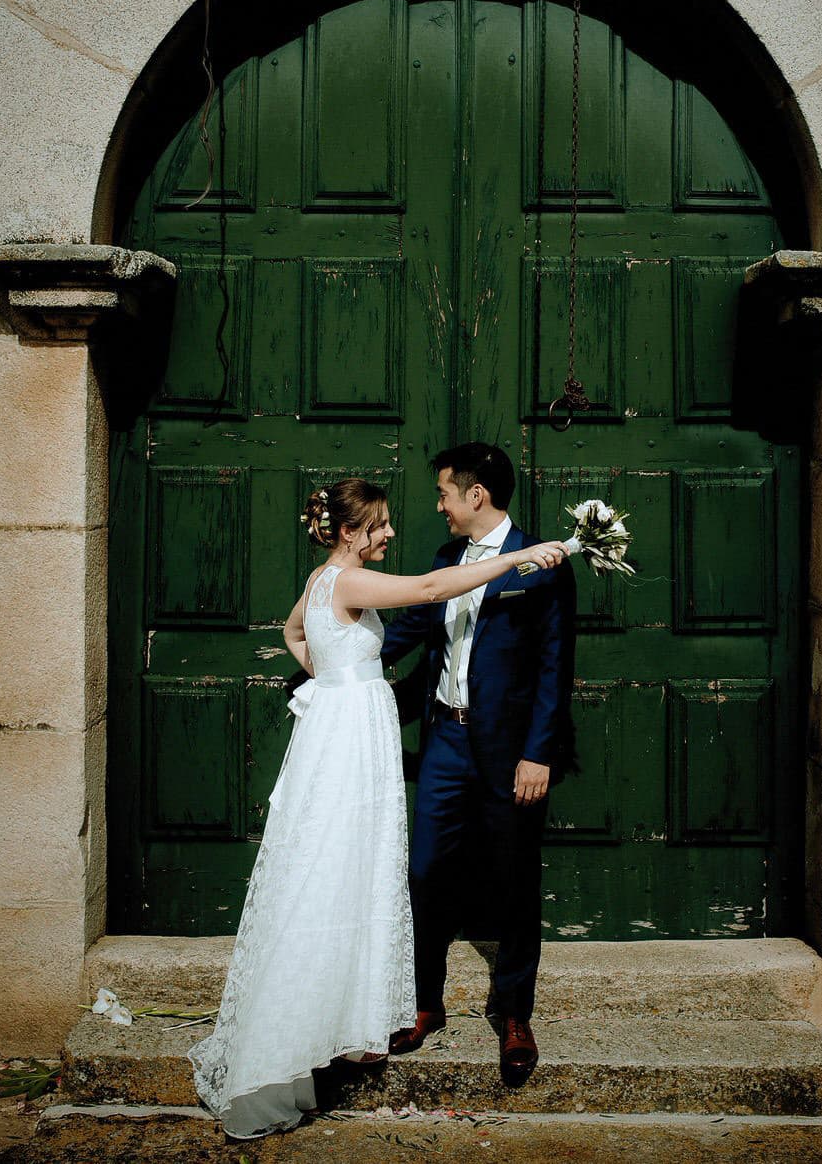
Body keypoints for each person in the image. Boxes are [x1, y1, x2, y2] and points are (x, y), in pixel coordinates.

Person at [188, 478, 566, 1139]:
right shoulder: (347, 580)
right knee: (337, 872)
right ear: (347, 532)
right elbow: (425, 591)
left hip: (344, 729)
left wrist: (331, 675)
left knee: (353, 872)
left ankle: (348, 1020)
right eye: (380, 526)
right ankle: (309, 1031)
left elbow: (292, 630)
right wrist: (515, 559)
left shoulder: (320, 583)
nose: (389, 534)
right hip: (346, 742)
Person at [382, 442, 578, 1088]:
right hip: (445, 741)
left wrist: (538, 753)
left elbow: (555, 668)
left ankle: (515, 1015)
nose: (437, 505)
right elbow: (411, 629)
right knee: (425, 872)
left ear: (476, 495)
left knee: (515, 881)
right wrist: (338, 660)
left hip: (509, 752)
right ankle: (424, 1003)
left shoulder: (543, 565)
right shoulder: (446, 560)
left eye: (444, 493)